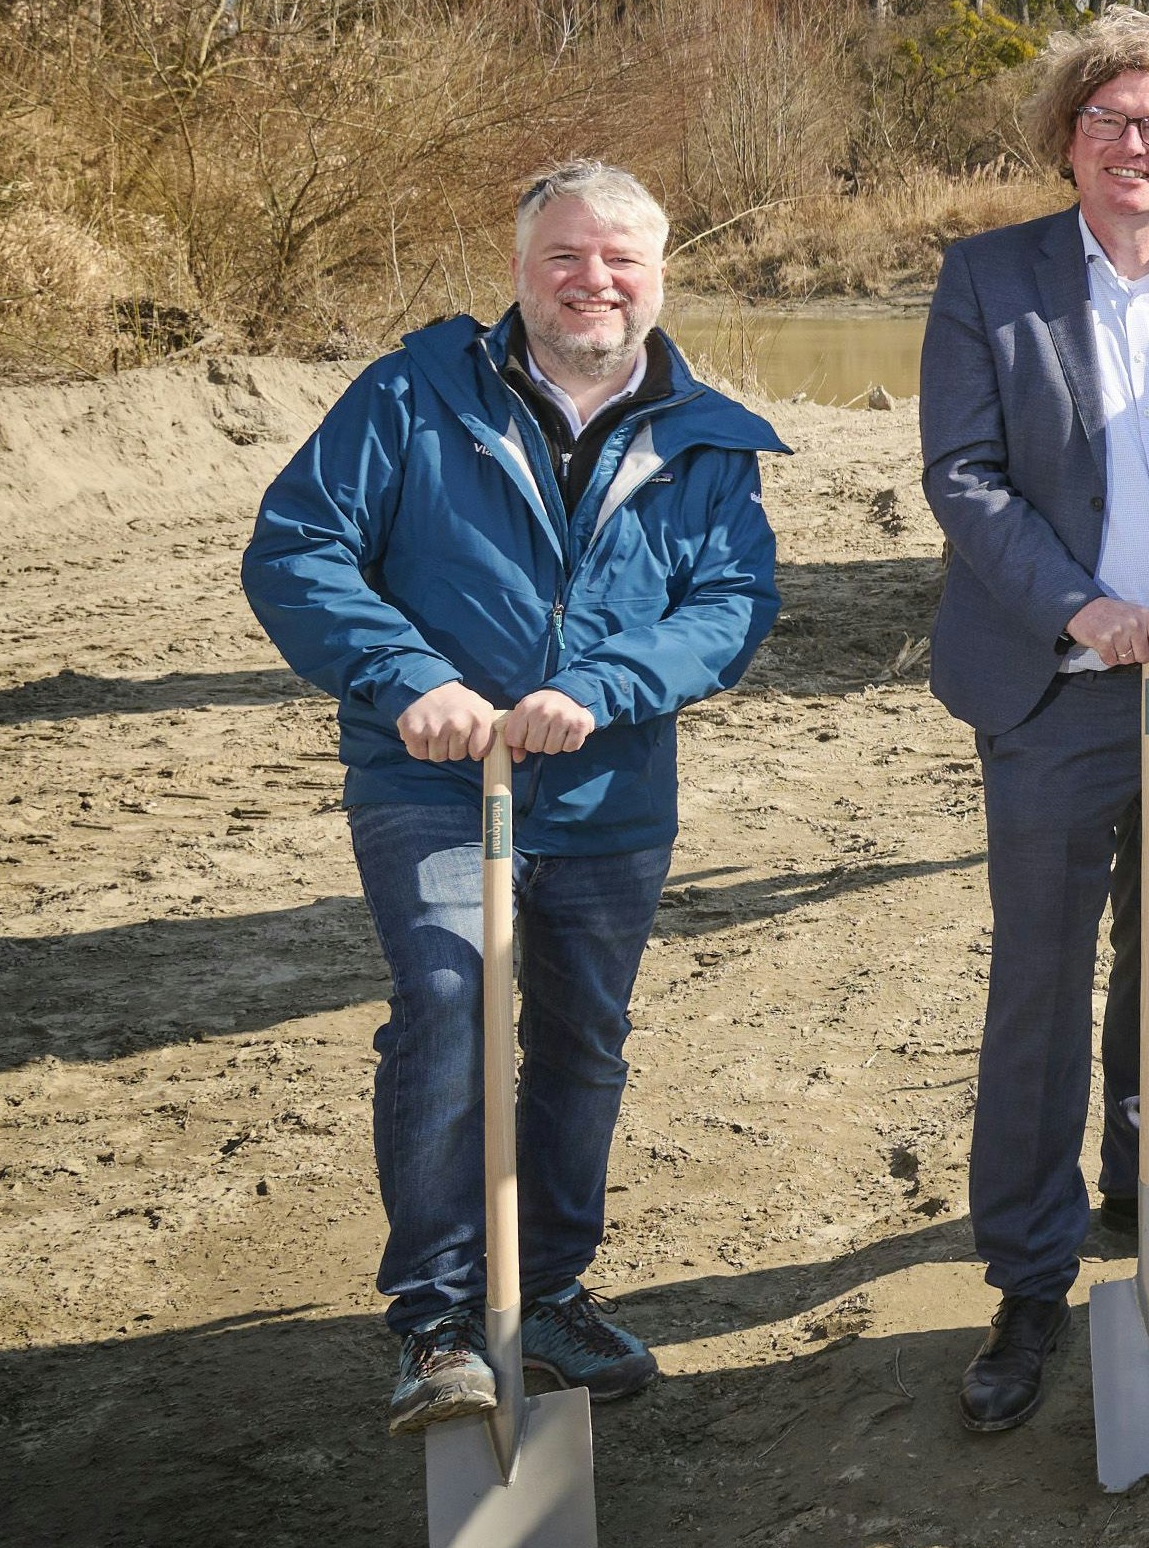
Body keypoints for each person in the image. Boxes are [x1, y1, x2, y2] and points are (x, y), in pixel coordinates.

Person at [243, 160, 783, 1431]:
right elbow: (297, 547)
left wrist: (607, 682)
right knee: (445, 998)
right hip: (431, 774)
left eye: (621, 261)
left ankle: (545, 1291)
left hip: (606, 790)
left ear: (658, 276)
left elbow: (731, 605)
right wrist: (407, 674)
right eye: (567, 256)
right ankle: (436, 1320)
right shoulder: (410, 394)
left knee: (582, 1041)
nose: (594, 280)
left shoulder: (703, 436)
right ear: (520, 268)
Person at [916, 7, 1149, 1434]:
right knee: (1041, 974)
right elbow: (960, 477)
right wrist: (1082, 608)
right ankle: (1027, 1262)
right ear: (1067, 140)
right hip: (1055, 687)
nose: (1134, 145)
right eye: (1107, 121)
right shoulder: (988, 280)